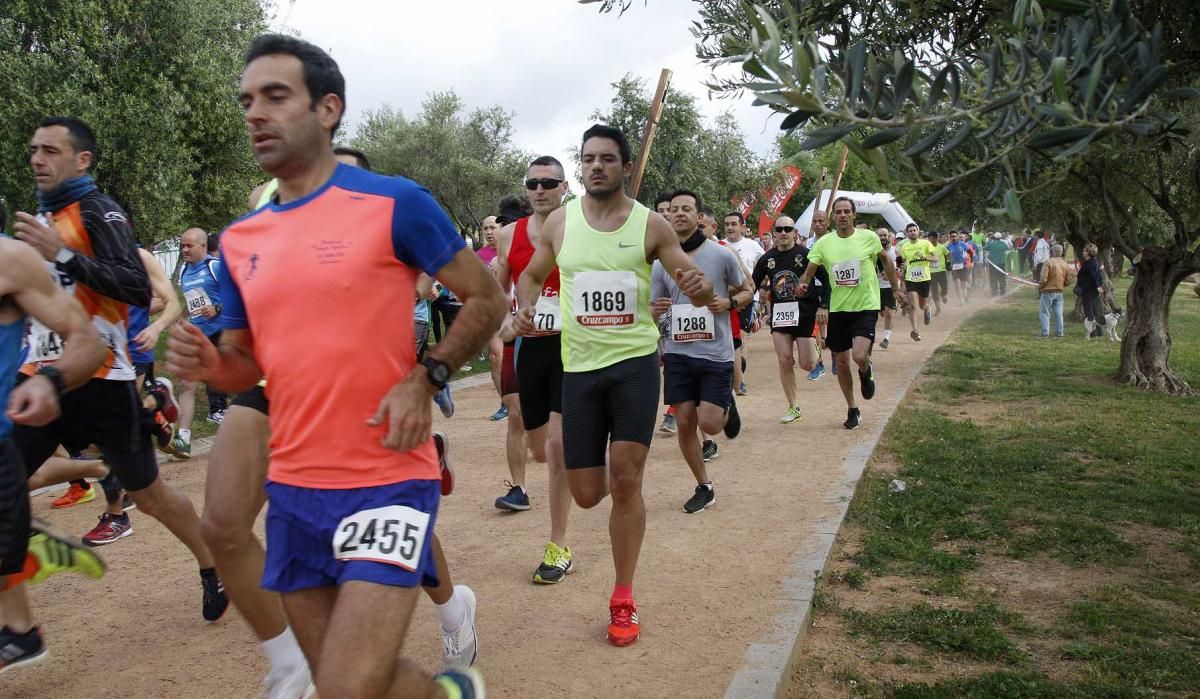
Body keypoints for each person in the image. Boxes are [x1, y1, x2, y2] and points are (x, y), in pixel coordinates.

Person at [168, 35, 501, 697]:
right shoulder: (241, 239)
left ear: (328, 109)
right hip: (294, 489)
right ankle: (450, 692)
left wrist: (426, 375)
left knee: (346, 688)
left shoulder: (395, 202)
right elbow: (247, 365)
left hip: (387, 475)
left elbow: (486, 297)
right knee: (346, 682)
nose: (254, 113)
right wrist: (212, 365)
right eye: (246, 101)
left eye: (275, 96)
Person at [13, 115, 228, 621]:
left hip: (101, 380)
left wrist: (62, 254)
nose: (37, 159)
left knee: (150, 495)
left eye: (49, 150)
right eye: (33, 150)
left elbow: (136, 287)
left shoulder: (97, 211)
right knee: (7, 478)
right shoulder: (38, 222)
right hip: (44, 377)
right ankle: (19, 621)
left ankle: (212, 563)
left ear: (81, 160)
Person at [513, 124, 714, 647]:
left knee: (627, 479)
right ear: (580, 169)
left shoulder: (651, 225)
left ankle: (623, 596)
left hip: (634, 366)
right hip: (579, 371)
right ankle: (599, 462)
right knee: (586, 494)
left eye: (606, 158)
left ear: (626, 167)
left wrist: (697, 283)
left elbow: (690, 273)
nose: (596, 166)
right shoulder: (560, 221)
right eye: (588, 159)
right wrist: (529, 301)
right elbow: (532, 275)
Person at [0, 235, 111, 673]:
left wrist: (50, 381)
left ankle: (19, 550)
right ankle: (20, 553)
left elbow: (88, 340)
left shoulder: (11, 260)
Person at [494, 155, 577, 583]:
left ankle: (558, 544)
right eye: (533, 183)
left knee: (560, 450)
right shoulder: (508, 235)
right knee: (540, 449)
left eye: (549, 182)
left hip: (574, 347)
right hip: (532, 348)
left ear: (565, 187)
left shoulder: (581, 226)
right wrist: (507, 323)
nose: (540, 189)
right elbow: (495, 291)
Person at [653, 189, 751, 512]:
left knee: (709, 424)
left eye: (686, 209)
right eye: (674, 210)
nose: (678, 214)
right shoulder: (660, 262)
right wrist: (659, 309)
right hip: (679, 353)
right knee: (684, 422)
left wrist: (729, 303)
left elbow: (748, 289)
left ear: (699, 217)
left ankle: (725, 403)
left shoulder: (721, 256)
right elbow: (656, 308)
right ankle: (703, 485)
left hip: (715, 353)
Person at [797, 197, 898, 430]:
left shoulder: (869, 238)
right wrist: (804, 284)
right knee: (841, 362)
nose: (842, 215)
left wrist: (895, 288)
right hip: (839, 309)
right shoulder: (824, 243)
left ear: (854, 215)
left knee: (859, 356)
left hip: (865, 306)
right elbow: (810, 270)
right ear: (834, 217)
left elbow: (887, 262)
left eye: (847, 211)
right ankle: (852, 408)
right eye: (839, 212)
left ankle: (865, 369)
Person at [751, 215, 828, 423]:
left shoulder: (806, 255)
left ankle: (817, 352)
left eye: (788, 229)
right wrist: (748, 304)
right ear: (774, 233)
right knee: (784, 359)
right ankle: (793, 406)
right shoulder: (766, 259)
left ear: (795, 233)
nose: (783, 233)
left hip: (804, 313)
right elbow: (752, 285)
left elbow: (826, 280)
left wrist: (823, 305)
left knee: (807, 364)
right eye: (779, 229)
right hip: (781, 315)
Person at [170, 227, 226, 460]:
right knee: (187, 384)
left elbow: (241, 294)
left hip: (223, 334)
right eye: (182, 245)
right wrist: (181, 320)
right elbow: (192, 300)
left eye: (189, 246)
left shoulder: (216, 267)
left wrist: (217, 308)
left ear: (203, 246)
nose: (184, 249)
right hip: (198, 336)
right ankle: (183, 438)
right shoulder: (184, 271)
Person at [898, 222, 936, 340]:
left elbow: (935, 258)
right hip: (911, 279)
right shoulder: (904, 247)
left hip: (924, 278)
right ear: (907, 233)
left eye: (914, 230)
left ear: (918, 232)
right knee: (912, 305)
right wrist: (902, 274)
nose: (912, 232)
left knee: (922, 304)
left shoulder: (926, 243)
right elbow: (904, 263)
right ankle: (915, 330)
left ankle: (927, 308)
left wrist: (924, 257)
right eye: (910, 231)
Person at [1038, 243, 1071, 337]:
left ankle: (1045, 332)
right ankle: (1059, 332)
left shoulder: (1048, 262)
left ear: (1052, 252)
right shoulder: (1065, 263)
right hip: (1059, 291)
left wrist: (1040, 286)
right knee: (1059, 314)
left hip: (1047, 291)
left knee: (1045, 313)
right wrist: (1062, 285)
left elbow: (1043, 278)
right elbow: (1068, 280)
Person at [874, 228, 900, 349]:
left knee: (889, 313)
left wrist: (893, 272)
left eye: (885, 235)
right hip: (876, 286)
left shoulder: (896, 251)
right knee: (882, 313)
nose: (883, 237)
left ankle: (886, 338)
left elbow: (903, 265)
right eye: (880, 236)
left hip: (890, 286)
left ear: (889, 237)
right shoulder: (873, 251)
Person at [1077, 243, 1109, 340]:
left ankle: (1092, 332)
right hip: (1092, 289)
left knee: (1089, 311)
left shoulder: (1090, 263)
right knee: (1095, 310)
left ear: (1088, 253)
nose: (1082, 252)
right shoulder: (1093, 262)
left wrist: (1098, 285)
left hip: (1089, 290)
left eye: (1084, 250)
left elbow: (1093, 276)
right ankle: (1098, 331)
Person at [946, 231, 971, 306]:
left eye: (955, 236)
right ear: (950, 238)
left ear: (957, 237)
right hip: (954, 267)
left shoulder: (962, 244)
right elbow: (947, 258)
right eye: (952, 236)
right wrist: (948, 265)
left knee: (963, 284)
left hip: (963, 266)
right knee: (957, 284)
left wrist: (970, 262)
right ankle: (961, 300)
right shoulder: (948, 247)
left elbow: (970, 252)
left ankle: (965, 296)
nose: (953, 238)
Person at [985, 232, 1010, 296]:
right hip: (1001, 263)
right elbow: (1007, 248)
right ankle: (1002, 291)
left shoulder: (991, 244)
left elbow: (985, 248)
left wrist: (990, 241)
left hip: (992, 264)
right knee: (1001, 277)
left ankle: (994, 292)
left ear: (994, 238)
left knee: (993, 278)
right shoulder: (1003, 244)